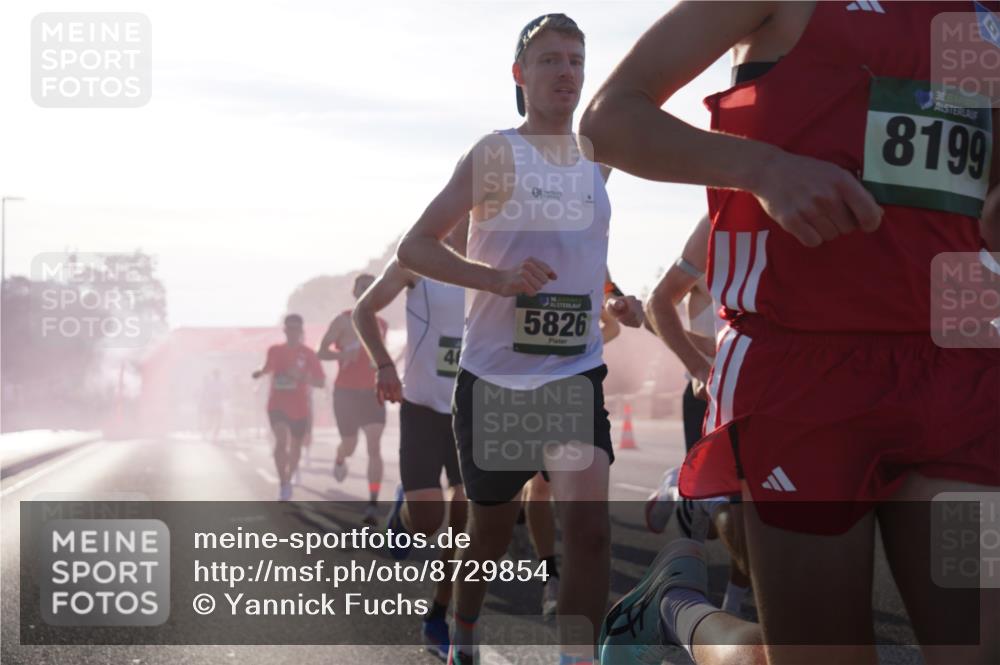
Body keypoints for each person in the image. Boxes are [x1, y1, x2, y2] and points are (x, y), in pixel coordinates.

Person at [582, 2, 1000, 664]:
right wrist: (765, 169)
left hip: (957, 370)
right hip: (805, 371)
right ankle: (678, 611)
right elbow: (609, 120)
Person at [397, 14, 644, 665]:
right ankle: (465, 628)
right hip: (497, 380)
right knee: (489, 533)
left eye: (575, 61)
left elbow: (578, 252)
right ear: (520, 74)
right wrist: (496, 279)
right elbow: (416, 246)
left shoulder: (598, 157)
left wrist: (614, 298)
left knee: (588, 532)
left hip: (573, 372)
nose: (566, 72)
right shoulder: (496, 154)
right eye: (549, 60)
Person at [352, 220, 471, 660]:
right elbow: (363, 311)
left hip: (473, 412)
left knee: (463, 522)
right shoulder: (417, 259)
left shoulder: (501, 261)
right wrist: (384, 365)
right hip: (422, 407)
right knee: (427, 519)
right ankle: (404, 517)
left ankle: (438, 614)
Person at [643, 214, 752, 618]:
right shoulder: (709, 251)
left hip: (760, 394)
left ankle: (733, 605)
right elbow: (656, 311)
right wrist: (704, 356)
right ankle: (677, 488)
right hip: (708, 395)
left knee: (752, 511)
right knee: (720, 519)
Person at [318, 274, 389, 525]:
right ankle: (340, 457)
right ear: (355, 292)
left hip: (371, 392)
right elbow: (321, 352)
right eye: (362, 287)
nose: (367, 290)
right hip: (345, 393)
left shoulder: (382, 323)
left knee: (374, 446)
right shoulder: (342, 320)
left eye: (372, 286)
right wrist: (342, 355)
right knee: (349, 445)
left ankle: (373, 501)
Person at [252, 314, 325, 502]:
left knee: (295, 447)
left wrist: (301, 377)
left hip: (299, 407)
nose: (292, 332)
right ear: (284, 330)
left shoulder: (309, 354)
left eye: (295, 329)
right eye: (289, 329)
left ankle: (290, 474)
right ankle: (284, 483)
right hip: (277, 404)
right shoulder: (274, 350)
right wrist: (260, 372)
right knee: (280, 440)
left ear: (301, 331)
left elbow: (321, 382)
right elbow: (268, 367)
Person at [198, 367, 225, 442]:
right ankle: (206, 434)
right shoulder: (210, 383)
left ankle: (214, 436)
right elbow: (204, 393)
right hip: (211, 405)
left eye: (218, 374)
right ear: (214, 374)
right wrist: (204, 402)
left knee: (218, 421)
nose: (217, 375)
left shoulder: (221, 383)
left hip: (217, 405)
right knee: (210, 421)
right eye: (216, 374)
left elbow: (225, 393)